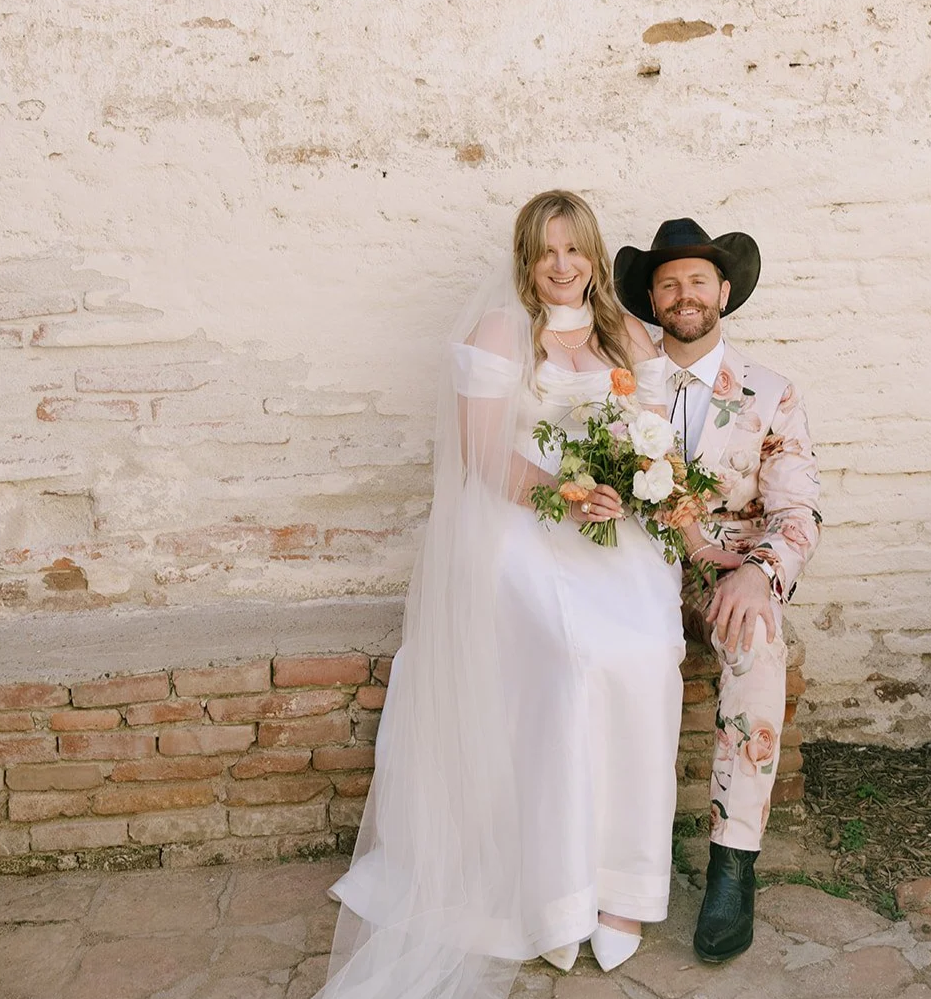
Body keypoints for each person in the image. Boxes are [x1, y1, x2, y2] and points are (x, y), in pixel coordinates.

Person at [318, 191, 722, 999]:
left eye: (575, 251)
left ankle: (624, 885)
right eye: (547, 252)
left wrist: (633, 491)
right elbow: (480, 456)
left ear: (595, 258)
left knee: (644, 661)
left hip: (615, 541)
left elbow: (655, 449)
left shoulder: (626, 335)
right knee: (572, 663)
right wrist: (570, 494)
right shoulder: (500, 332)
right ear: (527, 261)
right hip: (523, 533)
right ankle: (554, 889)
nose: (563, 267)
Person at [615, 218, 821, 965]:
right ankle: (594, 853)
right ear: (650, 300)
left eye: (697, 279)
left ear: (723, 290)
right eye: (667, 282)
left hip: (724, 569)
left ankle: (732, 866)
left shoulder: (771, 391)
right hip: (624, 560)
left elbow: (797, 509)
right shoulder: (619, 383)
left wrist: (760, 577)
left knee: (757, 642)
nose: (683, 293)